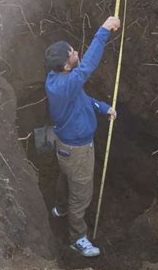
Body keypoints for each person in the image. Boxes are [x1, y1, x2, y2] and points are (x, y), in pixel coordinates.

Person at [45, 16, 120, 257]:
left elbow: (81, 99)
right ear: (66, 66)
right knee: (81, 193)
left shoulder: (59, 80)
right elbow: (87, 65)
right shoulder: (66, 83)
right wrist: (104, 30)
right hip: (78, 150)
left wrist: (101, 107)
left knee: (66, 179)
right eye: (72, 53)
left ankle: (60, 209)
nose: (77, 52)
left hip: (66, 148)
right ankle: (78, 238)